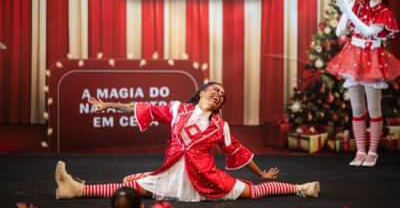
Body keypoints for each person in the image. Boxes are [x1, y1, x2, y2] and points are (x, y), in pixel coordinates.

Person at [55, 82, 320, 201]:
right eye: (215, 90)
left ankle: (301, 188)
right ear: (202, 92)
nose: (219, 94)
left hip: (207, 178)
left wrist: (260, 172)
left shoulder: (220, 126)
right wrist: (110, 104)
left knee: (252, 191)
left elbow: (236, 150)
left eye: (223, 95)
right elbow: (142, 107)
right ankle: (76, 190)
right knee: (132, 189)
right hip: (171, 174)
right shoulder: (176, 110)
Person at [328, 0, 400, 167]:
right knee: (357, 108)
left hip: (373, 59)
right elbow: (339, 32)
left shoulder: (385, 13)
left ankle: (372, 152)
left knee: (374, 109)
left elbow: (368, 32)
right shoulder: (358, 7)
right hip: (353, 57)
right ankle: (360, 150)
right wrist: (347, 12)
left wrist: (349, 12)